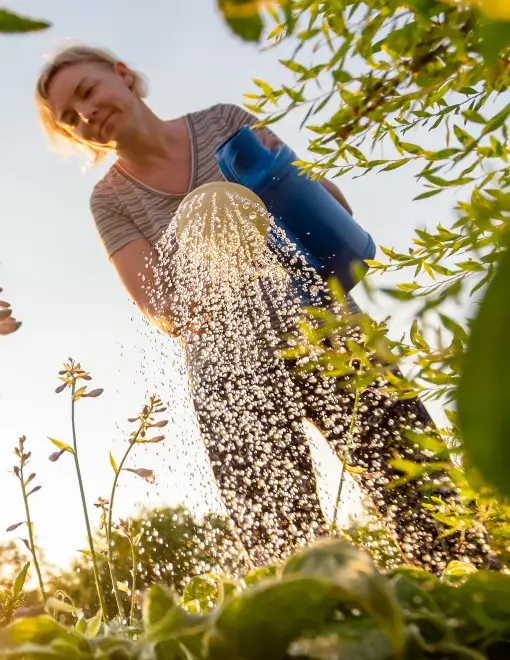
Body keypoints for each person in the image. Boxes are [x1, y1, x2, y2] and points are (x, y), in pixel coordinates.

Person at [33, 44, 498, 573]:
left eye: (87, 91)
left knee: (426, 498)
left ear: (121, 74)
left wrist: (297, 193)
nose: (86, 114)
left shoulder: (223, 123)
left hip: (330, 336)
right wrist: (215, 248)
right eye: (69, 118)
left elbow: (328, 209)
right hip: (231, 375)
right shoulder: (110, 200)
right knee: (285, 547)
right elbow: (161, 306)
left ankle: (477, 600)